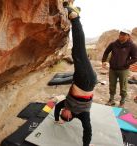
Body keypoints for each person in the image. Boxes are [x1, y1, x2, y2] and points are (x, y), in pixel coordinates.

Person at [54, 1, 97, 146]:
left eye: (62, 113)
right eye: (63, 115)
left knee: (76, 52)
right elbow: (88, 131)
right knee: (79, 50)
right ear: (69, 117)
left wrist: (56, 119)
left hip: (81, 80)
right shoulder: (83, 115)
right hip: (86, 81)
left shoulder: (65, 105)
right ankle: (75, 17)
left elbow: (57, 107)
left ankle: (76, 13)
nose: (62, 111)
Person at [102, 29, 137, 107]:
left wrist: (126, 63)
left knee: (123, 86)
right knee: (112, 85)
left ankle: (122, 102)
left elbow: (135, 58)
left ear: (128, 36)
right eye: (121, 34)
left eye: (124, 34)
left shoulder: (132, 45)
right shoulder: (113, 44)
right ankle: (111, 100)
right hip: (112, 69)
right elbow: (106, 52)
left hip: (123, 70)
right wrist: (104, 61)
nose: (121, 35)